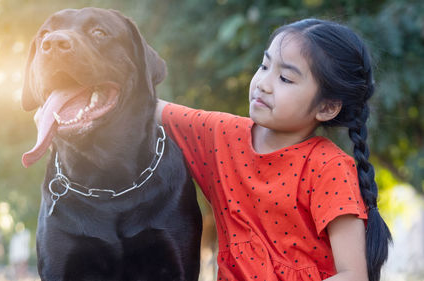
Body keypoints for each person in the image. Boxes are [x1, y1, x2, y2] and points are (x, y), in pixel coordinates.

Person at [155, 18, 391, 281]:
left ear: (326, 107)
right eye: (264, 65)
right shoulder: (220, 133)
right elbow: (146, 107)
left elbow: (353, 276)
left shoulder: (329, 166)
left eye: (285, 78)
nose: (263, 83)